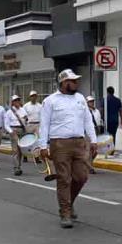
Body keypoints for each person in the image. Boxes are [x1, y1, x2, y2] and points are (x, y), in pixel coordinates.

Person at [38, 69, 98, 229]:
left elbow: (87, 121)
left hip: (79, 143)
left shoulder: (80, 99)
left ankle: (69, 203)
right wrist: (43, 145)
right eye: (73, 81)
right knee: (64, 179)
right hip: (59, 144)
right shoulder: (50, 101)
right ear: (64, 83)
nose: (76, 83)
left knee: (81, 177)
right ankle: (65, 212)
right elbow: (44, 124)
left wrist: (93, 140)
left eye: (76, 80)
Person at [5, 94, 27, 176]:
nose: (17, 102)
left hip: (22, 130)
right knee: (15, 150)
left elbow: (25, 120)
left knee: (21, 150)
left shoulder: (23, 110)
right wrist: (11, 131)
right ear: (12, 102)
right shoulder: (9, 112)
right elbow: (6, 124)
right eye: (16, 100)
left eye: (18, 100)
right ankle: (16, 168)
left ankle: (19, 166)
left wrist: (25, 121)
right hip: (13, 130)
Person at [22, 91, 43, 163]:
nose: (33, 97)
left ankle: (36, 157)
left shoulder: (40, 106)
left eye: (35, 96)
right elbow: (23, 117)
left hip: (37, 125)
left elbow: (42, 116)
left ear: (36, 97)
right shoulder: (26, 106)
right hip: (29, 124)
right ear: (30, 97)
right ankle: (25, 155)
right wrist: (24, 125)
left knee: (37, 142)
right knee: (27, 140)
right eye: (32, 96)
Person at [85, 96, 103, 174]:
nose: (91, 103)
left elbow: (100, 121)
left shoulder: (97, 111)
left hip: (96, 131)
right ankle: (90, 167)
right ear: (87, 103)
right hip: (88, 132)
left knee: (95, 151)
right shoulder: (85, 112)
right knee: (89, 150)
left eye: (92, 101)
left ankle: (86, 163)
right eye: (90, 102)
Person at [105, 86, 122, 156]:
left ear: (107, 92)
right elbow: (120, 111)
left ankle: (109, 149)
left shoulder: (105, 100)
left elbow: (102, 110)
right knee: (113, 135)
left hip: (107, 121)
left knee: (108, 136)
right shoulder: (118, 100)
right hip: (115, 121)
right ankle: (112, 150)